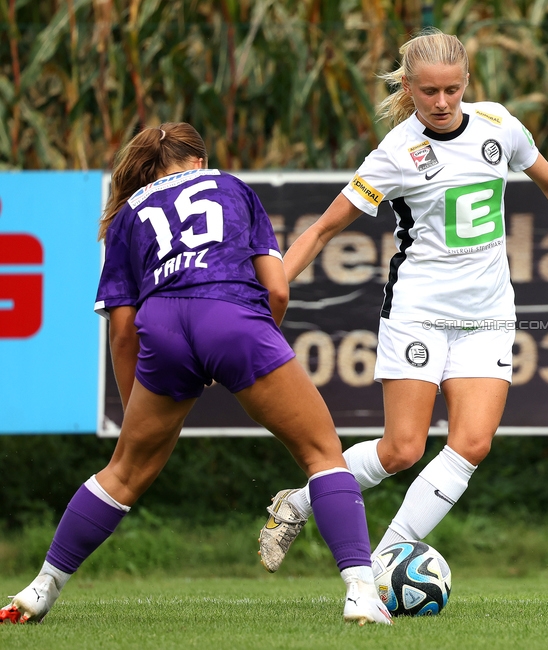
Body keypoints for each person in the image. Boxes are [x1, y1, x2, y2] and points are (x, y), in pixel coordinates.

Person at [257, 29, 548, 572]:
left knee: (472, 444)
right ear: (409, 87)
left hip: (489, 316)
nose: (443, 102)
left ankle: (379, 569)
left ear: (467, 82)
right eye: (429, 92)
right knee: (402, 449)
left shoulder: (499, 124)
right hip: (419, 314)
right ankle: (299, 501)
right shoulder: (396, 154)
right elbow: (322, 232)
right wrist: (265, 297)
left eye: (453, 89)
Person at [0, 123, 390, 626]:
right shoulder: (231, 187)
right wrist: (252, 346)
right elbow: (277, 291)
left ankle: (39, 590)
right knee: (322, 453)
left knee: (124, 471)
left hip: (160, 326)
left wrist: (136, 400)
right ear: (199, 162)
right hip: (230, 314)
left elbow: (122, 332)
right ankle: (360, 591)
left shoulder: (128, 213)